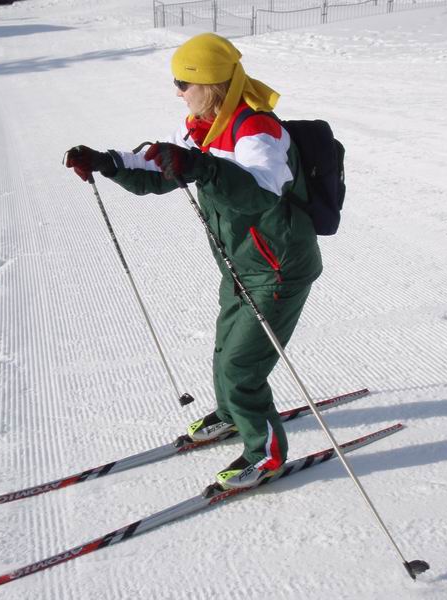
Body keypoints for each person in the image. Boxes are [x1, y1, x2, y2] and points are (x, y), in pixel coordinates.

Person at [64, 33, 322, 491]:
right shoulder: (202, 126)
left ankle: (265, 455)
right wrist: (106, 161)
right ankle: (231, 415)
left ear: (212, 84)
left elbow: (262, 191)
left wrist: (201, 167)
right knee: (225, 348)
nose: (178, 92)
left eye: (184, 83)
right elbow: (156, 164)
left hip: (279, 267)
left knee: (242, 366)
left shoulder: (256, 130)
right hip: (241, 264)